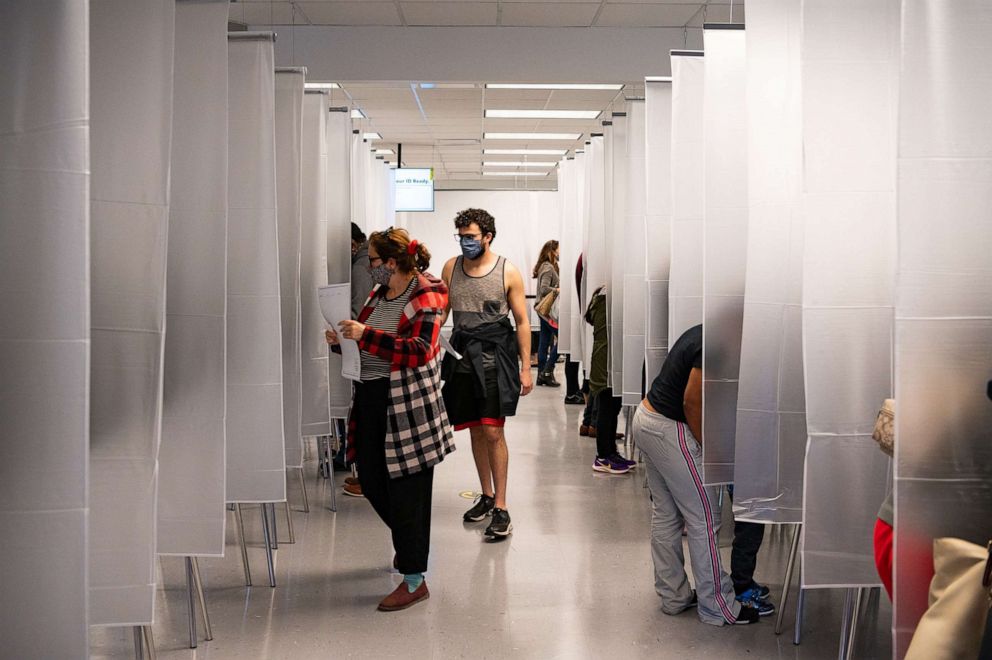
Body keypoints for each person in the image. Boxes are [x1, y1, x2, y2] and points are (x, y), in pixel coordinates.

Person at [325, 227, 454, 611]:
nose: (371, 269)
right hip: (370, 397)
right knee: (372, 479)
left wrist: (363, 335)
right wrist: (343, 343)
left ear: (392, 262)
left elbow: (419, 350)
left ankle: (414, 578)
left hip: (407, 406)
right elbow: (370, 345)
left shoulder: (426, 294)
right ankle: (408, 543)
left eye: (375, 262)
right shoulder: (379, 294)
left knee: (409, 492)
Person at [631, 324, 762, 625]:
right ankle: (718, 606)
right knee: (704, 518)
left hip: (647, 419)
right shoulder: (718, 342)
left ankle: (674, 596)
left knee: (666, 515)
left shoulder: (705, 330)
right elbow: (692, 401)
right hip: (668, 428)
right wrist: (709, 447)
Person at [441, 208, 533, 538]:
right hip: (462, 356)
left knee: (494, 431)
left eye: (471, 237)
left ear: (487, 237)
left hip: (495, 356)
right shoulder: (451, 268)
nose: (466, 242)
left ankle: (502, 507)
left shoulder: (508, 271)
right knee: (475, 430)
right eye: (461, 237)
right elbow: (441, 314)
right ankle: (487, 494)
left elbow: (522, 322)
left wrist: (526, 367)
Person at [586, 285, 635, 474]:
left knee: (612, 406)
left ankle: (610, 452)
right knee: (608, 406)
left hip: (606, 358)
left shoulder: (603, 294)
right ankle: (604, 456)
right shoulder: (608, 297)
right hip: (606, 359)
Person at [343, 222, 375, 498]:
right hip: (372, 350)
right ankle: (366, 475)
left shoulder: (360, 267)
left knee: (368, 418)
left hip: (368, 353)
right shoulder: (364, 263)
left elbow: (360, 310)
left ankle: (368, 478)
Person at [533, 239, 561, 387]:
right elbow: (544, 289)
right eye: (559, 249)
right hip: (546, 311)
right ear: (552, 251)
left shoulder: (547, 266)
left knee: (544, 342)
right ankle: (547, 372)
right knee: (563, 340)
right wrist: (557, 290)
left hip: (543, 310)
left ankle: (541, 376)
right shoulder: (548, 267)